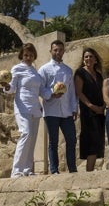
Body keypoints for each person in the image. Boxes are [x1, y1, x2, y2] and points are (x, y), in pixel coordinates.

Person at [2, 43, 51, 177]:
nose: (28, 57)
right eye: (26, 55)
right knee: (26, 134)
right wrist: (6, 86)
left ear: (34, 56)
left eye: (31, 55)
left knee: (32, 138)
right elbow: (11, 88)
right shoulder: (17, 69)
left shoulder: (35, 72)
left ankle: (27, 170)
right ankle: (16, 170)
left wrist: (53, 93)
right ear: (22, 56)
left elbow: (42, 90)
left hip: (35, 108)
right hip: (22, 106)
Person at [38, 40, 78, 174]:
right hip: (51, 111)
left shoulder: (68, 70)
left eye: (60, 50)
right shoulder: (44, 69)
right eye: (55, 50)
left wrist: (74, 108)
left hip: (66, 111)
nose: (58, 52)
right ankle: (54, 170)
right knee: (53, 142)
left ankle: (72, 168)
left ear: (63, 51)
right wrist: (51, 94)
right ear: (51, 51)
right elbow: (41, 89)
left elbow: (72, 91)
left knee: (71, 139)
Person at [74, 47, 106, 171]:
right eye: (86, 57)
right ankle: (89, 171)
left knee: (98, 140)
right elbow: (79, 93)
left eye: (91, 56)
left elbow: (102, 92)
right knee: (91, 141)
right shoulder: (80, 73)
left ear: (95, 60)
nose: (88, 59)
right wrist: (91, 106)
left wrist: (102, 106)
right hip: (88, 112)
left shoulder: (98, 75)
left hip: (99, 112)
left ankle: (91, 170)